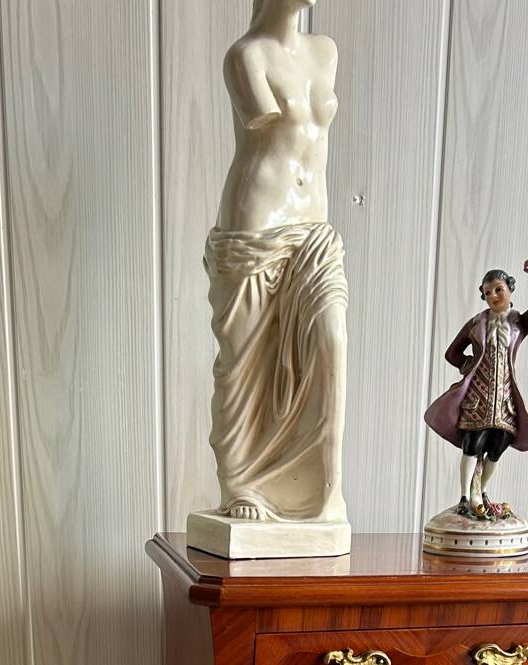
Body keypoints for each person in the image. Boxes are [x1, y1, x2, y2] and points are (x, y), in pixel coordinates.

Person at [204, 0, 348, 526]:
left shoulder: (325, 52)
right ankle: (241, 482)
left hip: (314, 228)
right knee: (243, 364)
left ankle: (324, 496)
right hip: (256, 222)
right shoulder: (246, 57)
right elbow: (264, 124)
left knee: (330, 341)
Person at [425, 260, 528, 519]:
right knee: (472, 446)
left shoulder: (518, 323)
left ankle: (481, 491)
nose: (493, 296)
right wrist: (469, 365)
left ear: (509, 290)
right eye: (488, 292)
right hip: (478, 397)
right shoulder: (476, 324)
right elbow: (452, 353)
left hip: (504, 400)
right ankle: (464, 497)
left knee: (497, 446)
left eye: (498, 289)